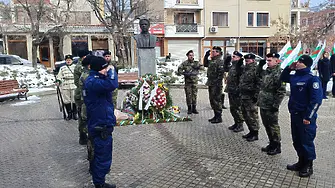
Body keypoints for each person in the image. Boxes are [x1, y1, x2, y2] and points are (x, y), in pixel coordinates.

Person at [280, 55, 323, 178]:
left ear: (306, 64)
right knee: (297, 140)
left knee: (306, 141)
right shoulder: (295, 76)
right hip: (295, 114)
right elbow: (283, 78)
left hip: (305, 116)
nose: (297, 63)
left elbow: (316, 101)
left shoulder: (312, 79)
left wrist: (308, 117)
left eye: (299, 62)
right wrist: (289, 68)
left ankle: (308, 165)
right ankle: (301, 162)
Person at [84, 56, 118, 188]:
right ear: (98, 69)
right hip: (100, 125)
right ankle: (100, 183)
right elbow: (112, 84)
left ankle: (98, 179)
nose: (106, 70)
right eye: (104, 68)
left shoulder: (95, 80)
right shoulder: (93, 82)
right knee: (102, 157)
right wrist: (112, 71)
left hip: (101, 122)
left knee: (99, 155)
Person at [257, 53, 286, 155]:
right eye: (267, 60)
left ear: (277, 61)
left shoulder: (279, 73)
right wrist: (259, 66)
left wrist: (276, 105)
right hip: (263, 102)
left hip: (271, 104)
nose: (267, 62)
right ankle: (271, 143)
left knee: (273, 125)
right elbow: (258, 76)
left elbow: (281, 91)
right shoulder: (267, 72)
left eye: (270, 60)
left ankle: (277, 146)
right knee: (266, 125)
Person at [238, 54, 261, 142]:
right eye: (246, 60)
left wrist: (255, 96)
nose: (246, 62)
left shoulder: (256, 70)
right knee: (245, 114)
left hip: (251, 96)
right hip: (244, 96)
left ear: (253, 60)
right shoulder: (245, 69)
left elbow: (259, 83)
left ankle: (255, 133)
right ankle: (251, 131)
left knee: (252, 115)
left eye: (248, 60)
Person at [204, 46, 228, 123]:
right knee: (212, 100)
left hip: (216, 84)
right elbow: (205, 64)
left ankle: (219, 117)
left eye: (214, 52)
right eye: (212, 51)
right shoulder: (213, 61)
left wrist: (217, 83)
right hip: (211, 83)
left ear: (218, 53)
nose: (212, 53)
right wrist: (206, 56)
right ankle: (215, 116)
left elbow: (221, 74)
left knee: (217, 100)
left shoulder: (220, 61)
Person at [177, 50, 202, 114]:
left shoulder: (196, 63)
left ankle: (194, 108)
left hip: (194, 82)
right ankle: (189, 109)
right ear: (187, 56)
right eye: (190, 55)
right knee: (188, 95)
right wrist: (184, 73)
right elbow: (179, 69)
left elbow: (203, 68)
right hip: (188, 83)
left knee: (195, 95)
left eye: (192, 55)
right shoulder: (185, 63)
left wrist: (198, 68)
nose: (191, 56)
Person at [225, 51, 245, 132]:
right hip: (231, 90)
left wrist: (239, 89)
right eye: (232, 56)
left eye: (234, 57)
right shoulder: (232, 66)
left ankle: (240, 124)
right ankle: (236, 123)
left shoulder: (240, 67)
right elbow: (225, 69)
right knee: (232, 108)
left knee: (237, 108)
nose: (232, 58)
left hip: (237, 91)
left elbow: (242, 79)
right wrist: (226, 61)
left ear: (239, 58)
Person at [77, 55, 94, 145]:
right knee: (85, 120)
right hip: (86, 102)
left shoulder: (86, 74)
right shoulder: (86, 75)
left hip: (85, 100)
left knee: (83, 119)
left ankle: (84, 136)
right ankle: (85, 137)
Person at [74, 49, 90, 145]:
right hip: (80, 96)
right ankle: (83, 135)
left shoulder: (86, 64)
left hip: (85, 95)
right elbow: (78, 82)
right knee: (82, 117)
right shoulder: (80, 67)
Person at [56, 55, 77, 121]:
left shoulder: (75, 67)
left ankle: (74, 114)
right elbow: (59, 76)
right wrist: (58, 81)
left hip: (74, 85)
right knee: (66, 100)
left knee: (74, 100)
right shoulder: (62, 68)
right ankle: (69, 114)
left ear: (72, 60)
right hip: (65, 85)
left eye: (69, 60)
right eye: (67, 60)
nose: (68, 61)